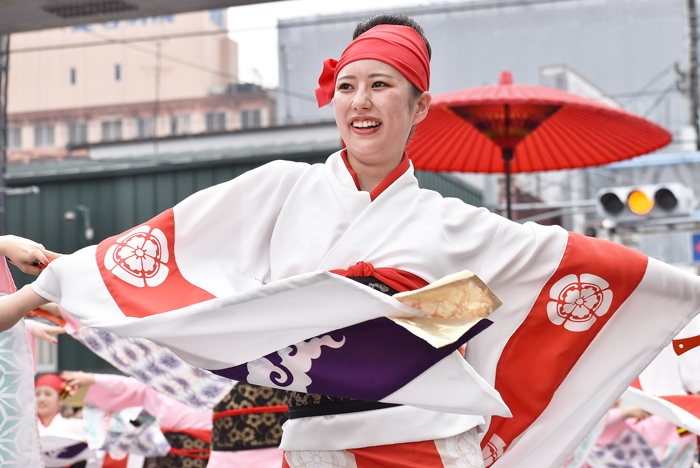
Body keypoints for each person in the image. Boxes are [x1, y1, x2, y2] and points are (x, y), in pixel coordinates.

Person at [2, 13, 700, 468]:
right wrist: (45, 282)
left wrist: (405, 310)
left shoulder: (459, 229)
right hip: (281, 434)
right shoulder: (278, 188)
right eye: (349, 86)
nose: (361, 101)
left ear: (420, 104)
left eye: (382, 86)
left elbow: (582, 267)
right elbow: (170, 253)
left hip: (411, 442)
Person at [62, 370, 212, 468]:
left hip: (215, 451)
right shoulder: (161, 382)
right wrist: (92, 379)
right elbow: (128, 386)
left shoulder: (219, 378)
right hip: (170, 455)